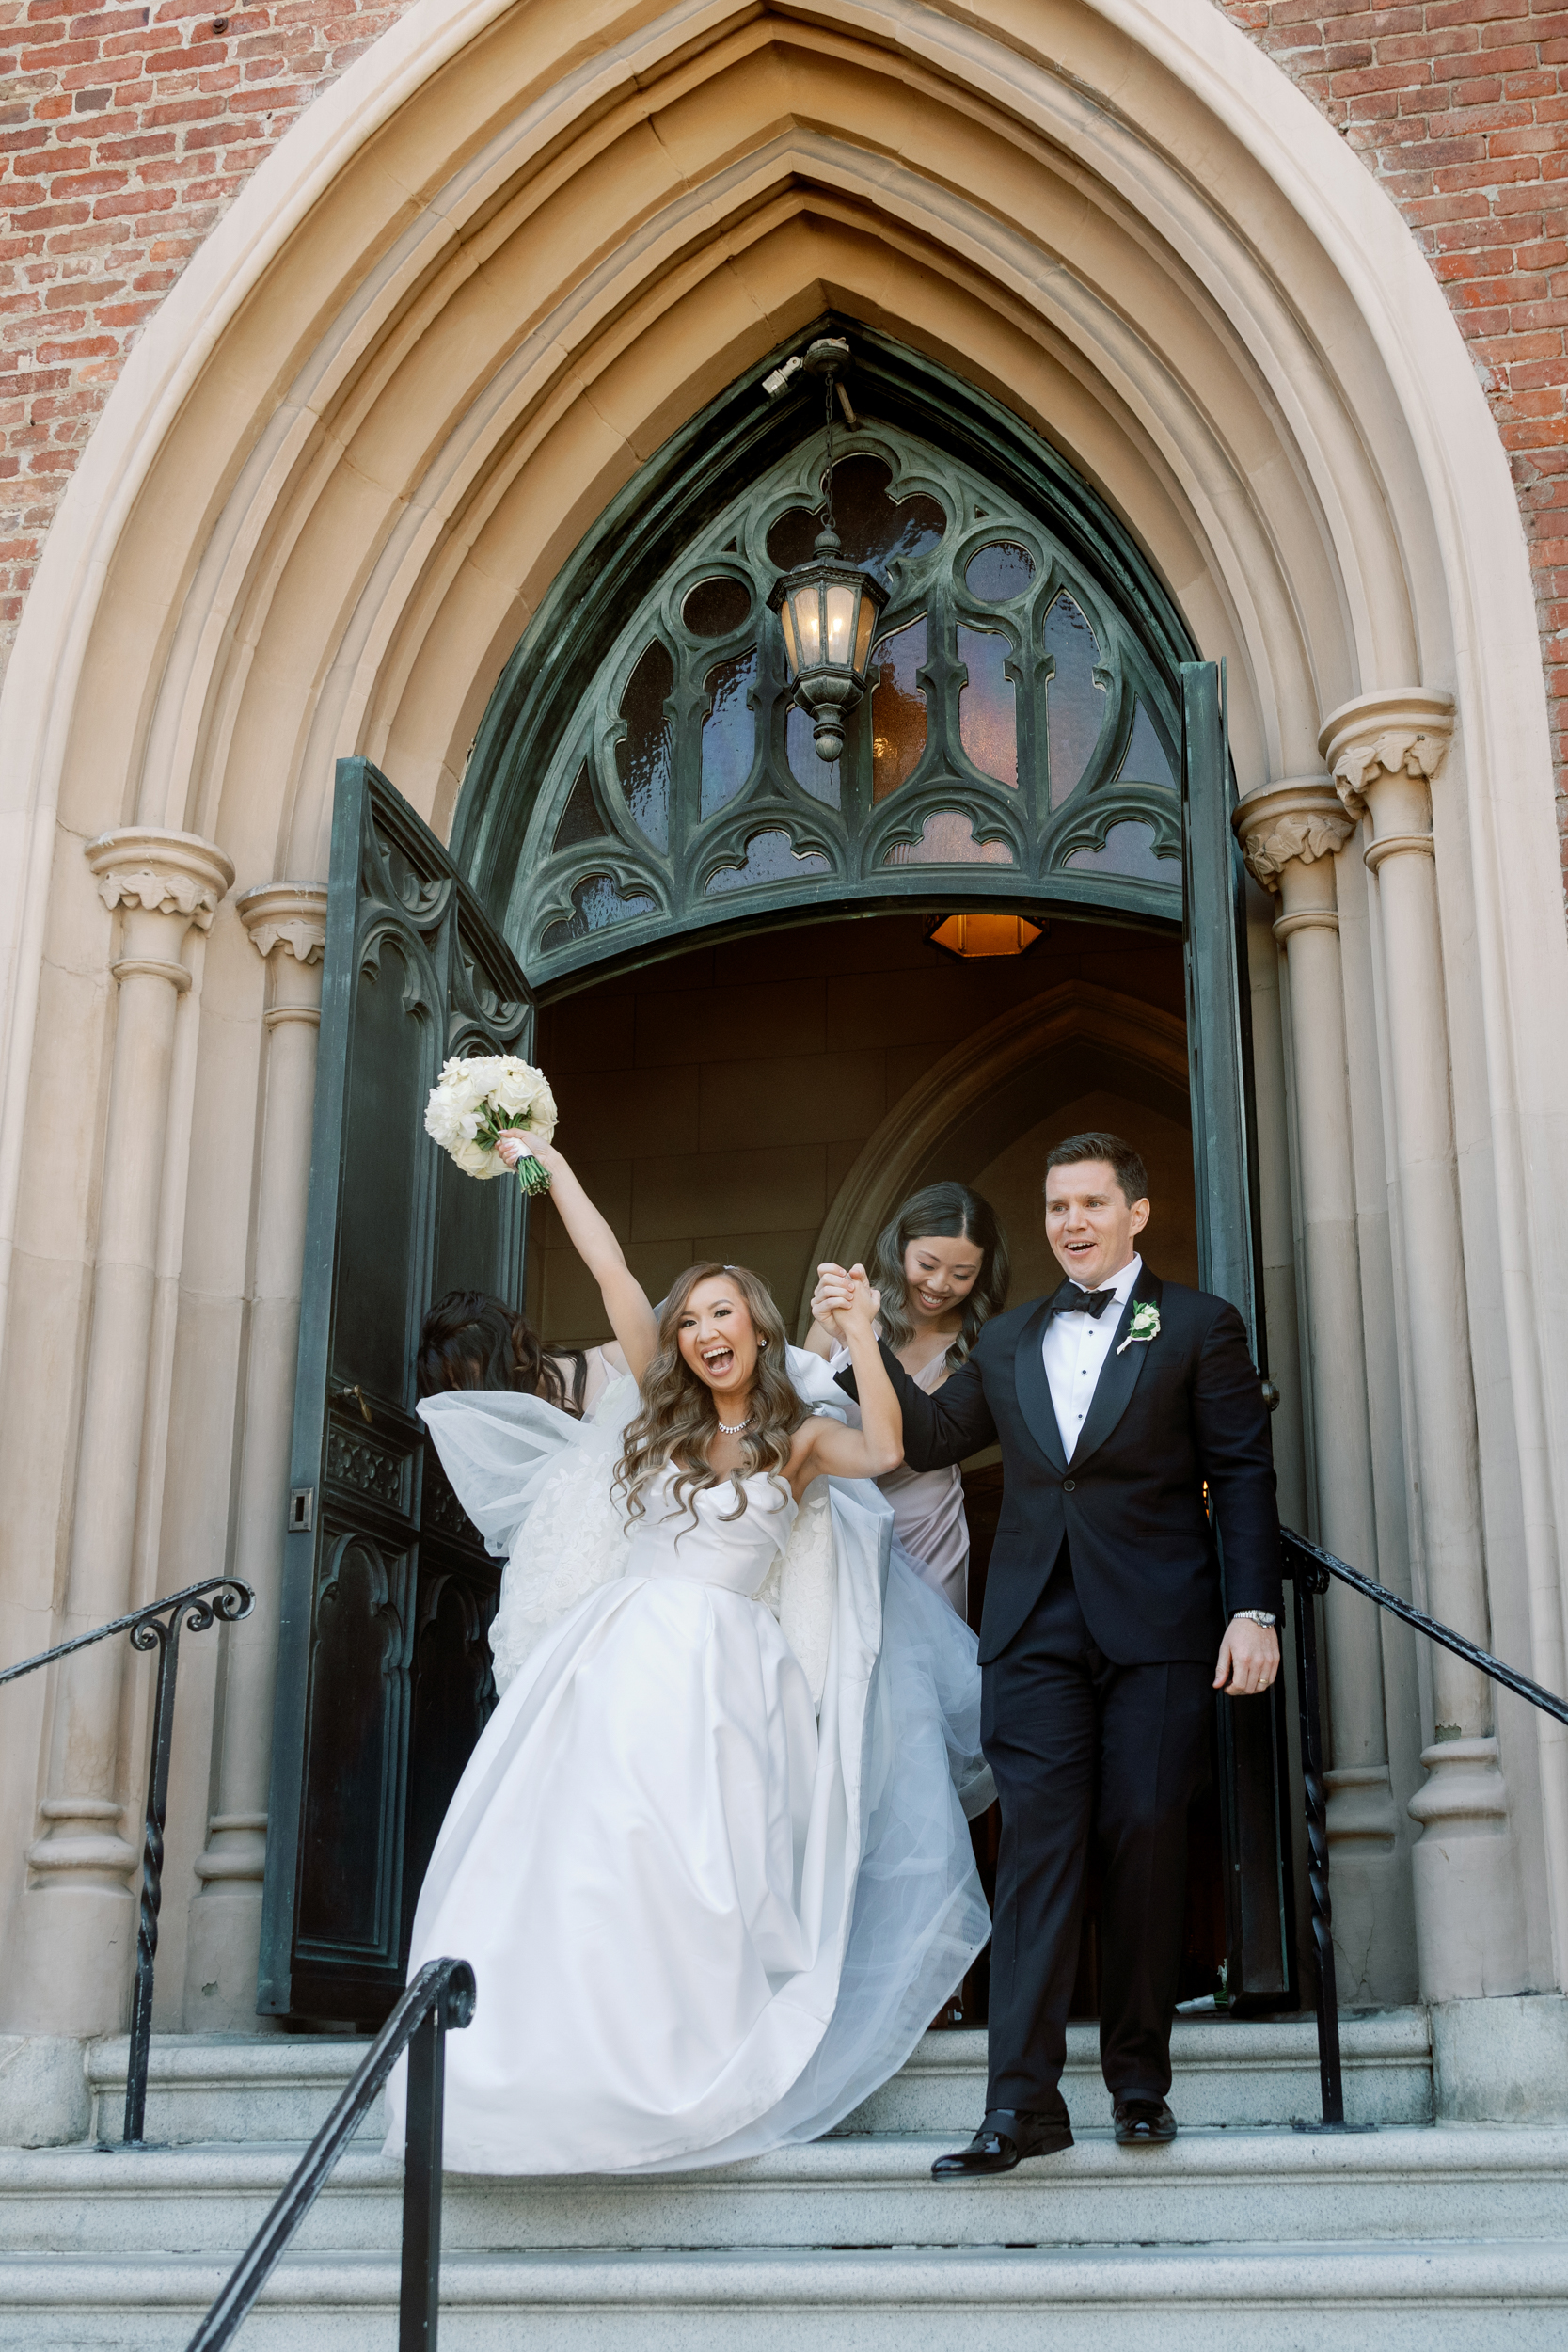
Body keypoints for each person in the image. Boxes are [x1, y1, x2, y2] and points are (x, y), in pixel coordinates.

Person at [385, 1134, 992, 2176]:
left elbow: (890, 1450)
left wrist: (859, 1330)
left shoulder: (800, 1440)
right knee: (593, 1850)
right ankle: (539, 2068)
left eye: (722, 1314)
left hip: (731, 1678)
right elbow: (611, 1269)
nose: (705, 1331)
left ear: (757, 1328)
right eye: (691, 1320)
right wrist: (549, 1164)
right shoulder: (660, 1412)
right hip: (619, 1659)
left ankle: (674, 2063)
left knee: (706, 1870)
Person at [813, 1130, 1281, 2172]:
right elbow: (930, 1438)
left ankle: (1137, 2081)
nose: (1071, 1222)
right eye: (1057, 1206)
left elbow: (1242, 1473)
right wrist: (860, 1338)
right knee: (1033, 1852)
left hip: (1158, 1626)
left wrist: (1252, 1610)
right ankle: (1018, 2105)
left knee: (1143, 1838)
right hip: (1030, 1632)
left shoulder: (1197, 1324)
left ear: (1135, 1213)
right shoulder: (1012, 1336)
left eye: (1090, 1203)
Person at [805, 1182, 1009, 1618]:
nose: (939, 1285)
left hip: (923, 1523)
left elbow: (917, 1435)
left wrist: (859, 1335)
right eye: (927, 1265)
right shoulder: (839, 1317)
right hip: (836, 1513)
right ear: (899, 1248)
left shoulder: (981, 1345)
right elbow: (800, 1413)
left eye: (961, 1275)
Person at [415, 1287, 626, 1415]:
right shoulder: (508, 1443)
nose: (470, 1395)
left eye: (469, 1376)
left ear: (504, 1350)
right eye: (458, 1389)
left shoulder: (614, 1361)